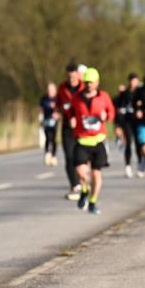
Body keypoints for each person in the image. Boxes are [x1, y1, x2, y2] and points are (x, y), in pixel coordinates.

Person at [70, 68, 115, 215]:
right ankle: (84, 190)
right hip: (82, 140)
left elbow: (111, 113)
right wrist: (71, 119)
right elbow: (70, 111)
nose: (89, 85)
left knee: (96, 175)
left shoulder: (103, 97)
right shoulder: (76, 98)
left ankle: (93, 201)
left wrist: (105, 116)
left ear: (97, 82)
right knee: (82, 173)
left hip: (98, 141)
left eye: (91, 82)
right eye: (87, 82)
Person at [56, 63, 85, 200]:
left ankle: (83, 180)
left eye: (74, 77)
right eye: (69, 77)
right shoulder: (62, 88)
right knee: (69, 156)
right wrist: (58, 112)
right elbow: (58, 104)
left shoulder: (83, 87)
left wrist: (77, 118)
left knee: (80, 156)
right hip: (67, 127)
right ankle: (75, 184)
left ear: (78, 75)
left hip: (81, 127)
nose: (72, 79)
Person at [113, 73, 141, 178]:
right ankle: (128, 166)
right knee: (128, 142)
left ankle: (140, 164)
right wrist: (117, 123)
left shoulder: (141, 92)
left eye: (135, 80)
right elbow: (116, 104)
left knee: (139, 143)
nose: (133, 83)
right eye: (131, 80)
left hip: (138, 122)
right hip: (127, 121)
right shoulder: (125, 92)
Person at [39, 83, 60, 166]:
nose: (50, 91)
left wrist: (57, 114)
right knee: (48, 137)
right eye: (49, 90)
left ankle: (53, 156)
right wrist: (40, 119)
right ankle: (47, 154)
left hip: (54, 121)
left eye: (51, 90)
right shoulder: (44, 99)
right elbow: (41, 109)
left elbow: (60, 109)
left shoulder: (57, 99)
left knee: (53, 138)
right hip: (46, 120)